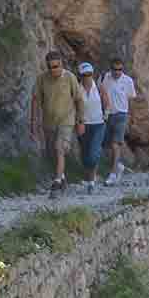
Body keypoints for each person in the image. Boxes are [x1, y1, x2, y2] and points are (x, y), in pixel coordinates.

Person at [29, 51, 84, 196]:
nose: (54, 70)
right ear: (47, 67)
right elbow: (35, 101)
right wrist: (33, 123)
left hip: (66, 121)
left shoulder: (70, 78)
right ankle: (62, 176)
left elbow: (79, 100)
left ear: (61, 64)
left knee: (59, 148)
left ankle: (57, 182)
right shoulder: (42, 79)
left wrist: (81, 121)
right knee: (51, 153)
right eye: (51, 67)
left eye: (57, 66)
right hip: (49, 122)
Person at [100, 56, 137, 186]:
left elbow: (131, 99)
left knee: (116, 143)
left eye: (120, 69)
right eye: (115, 69)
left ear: (122, 69)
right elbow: (102, 94)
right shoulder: (105, 78)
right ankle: (118, 166)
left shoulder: (128, 81)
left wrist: (131, 117)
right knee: (108, 144)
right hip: (108, 115)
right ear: (111, 69)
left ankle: (113, 173)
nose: (117, 72)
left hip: (122, 114)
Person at [75, 63, 106, 194]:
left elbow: (106, 101)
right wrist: (77, 122)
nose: (87, 77)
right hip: (83, 124)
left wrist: (106, 115)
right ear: (80, 76)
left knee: (93, 153)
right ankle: (89, 180)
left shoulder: (98, 87)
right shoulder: (76, 89)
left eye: (89, 74)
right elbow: (73, 107)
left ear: (92, 74)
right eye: (84, 75)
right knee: (85, 155)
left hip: (98, 124)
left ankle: (92, 182)